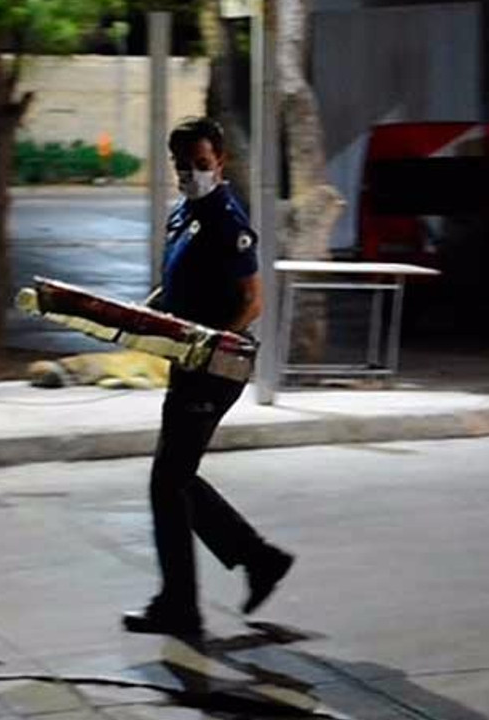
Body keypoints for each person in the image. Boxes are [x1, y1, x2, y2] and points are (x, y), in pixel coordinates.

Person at [123, 117, 294, 637]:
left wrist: (212, 341)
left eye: (201, 164)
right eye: (183, 165)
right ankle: (256, 559)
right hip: (188, 361)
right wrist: (139, 316)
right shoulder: (186, 215)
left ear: (220, 160)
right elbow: (174, 288)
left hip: (215, 366)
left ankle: (182, 604)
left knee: (167, 482)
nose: (192, 173)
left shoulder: (226, 219)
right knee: (175, 480)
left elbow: (252, 301)